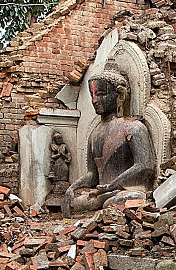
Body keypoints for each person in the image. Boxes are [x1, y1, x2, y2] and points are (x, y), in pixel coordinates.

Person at [64, 67, 155, 214]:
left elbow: (144, 166)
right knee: (74, 203)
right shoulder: (95, 133)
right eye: (92, 95)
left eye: (101, 94)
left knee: (115, 202)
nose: (95, 100)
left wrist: (112, 185)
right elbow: (92, 175)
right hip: (102, 193)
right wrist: (72, 187)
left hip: (126, 190)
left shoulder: (133, 127)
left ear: (119, 94)